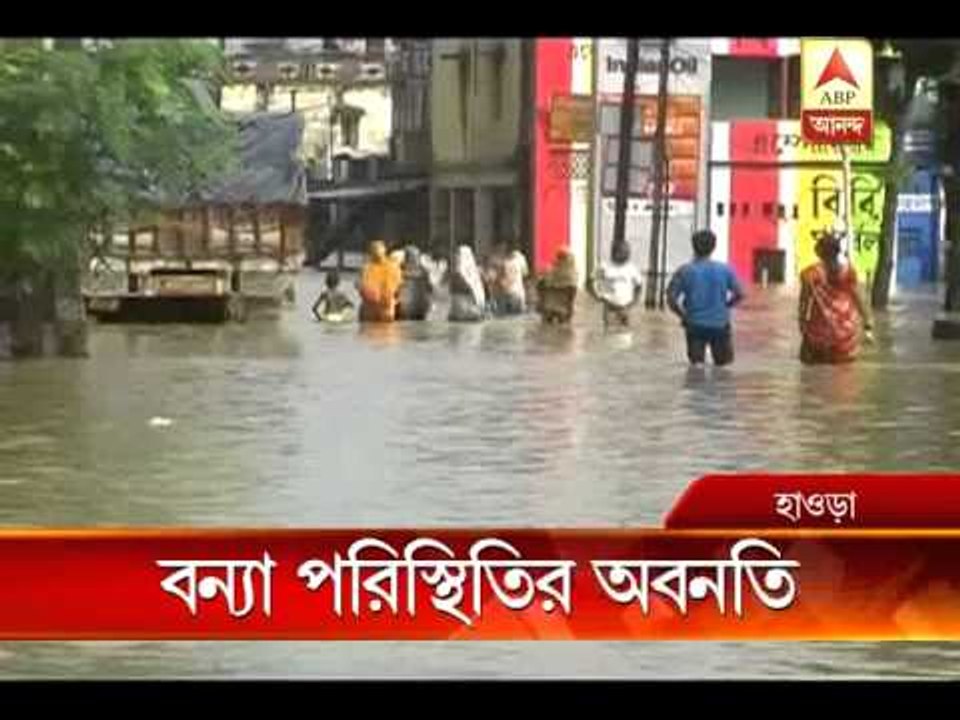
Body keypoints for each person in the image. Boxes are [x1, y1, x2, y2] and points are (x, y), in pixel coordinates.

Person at [667, 229, 745, 366]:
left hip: (694, 325)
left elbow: (671, 299)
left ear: (693, 246)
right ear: (714, 247)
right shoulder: (725, 270)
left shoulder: (685, 271)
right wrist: (726, 306)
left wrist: (683, 316)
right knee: (723, 369)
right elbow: (741, 294)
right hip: (720, 324)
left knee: (696, 368)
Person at [798, 232, 874, 364]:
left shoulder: (809, 274)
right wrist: (867, 324)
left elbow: (804, 303)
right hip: (845, 335)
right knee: (843, 378)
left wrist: (803, 326)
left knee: (814, 377)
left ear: (818, 252)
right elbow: (858, 299)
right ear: (837, 251)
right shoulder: (848, 272)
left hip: (819, 335)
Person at [591, 242, 642, 327]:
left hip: (626, 308)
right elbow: (590, 282)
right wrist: (598, 296)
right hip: (610, 308)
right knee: (610, 336)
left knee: (626, 337)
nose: (627, 254)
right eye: (624, 252)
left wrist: (633, 303)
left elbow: (639, 286)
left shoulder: (632, 268)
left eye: (627, 252)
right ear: (614, 252)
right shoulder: (604, 266)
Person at [358, 240, 402, 323]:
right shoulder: (393, 267)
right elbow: (398, 289)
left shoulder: (366, 268)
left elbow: (360, 287)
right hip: (380, 309)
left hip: (376, 309)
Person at [537, 249, 578, 324]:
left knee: (546, 330)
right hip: (563, 309)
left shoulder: (549, 269)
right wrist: (570, 308)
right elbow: (572, 293)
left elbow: (540, 286)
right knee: (565, 331)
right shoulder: (572, 273)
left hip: (548, 307)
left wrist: (541, 302)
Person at [489, 241, 530, 316]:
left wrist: (496, 281)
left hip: (508, 296)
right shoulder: (520, 258)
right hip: (519, 296)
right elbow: (525, 274)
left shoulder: (504, 262)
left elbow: (503, 283)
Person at [448, 245, 487, 322]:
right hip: (463, 307)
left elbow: (477, 288)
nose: (456, 255)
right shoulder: (460, 270)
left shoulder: (470, 271)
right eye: (457, 253)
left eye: (458, 253)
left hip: (467, 307)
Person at [396, 245, 433, 321]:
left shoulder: (423, 271)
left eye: (417, 256)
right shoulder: (399, 269)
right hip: (403, 308)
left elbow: (429, 288)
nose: (415, 258)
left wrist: (428, 303)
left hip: (420, 307)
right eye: (413, 256)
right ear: (407, 257)